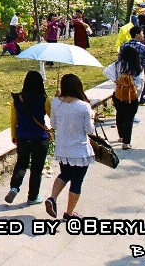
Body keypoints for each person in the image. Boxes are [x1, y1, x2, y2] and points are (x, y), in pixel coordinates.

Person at [45, 74, 95, 220]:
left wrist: (57, 99)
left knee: (64, 174)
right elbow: (89, 130)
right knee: (77, 181)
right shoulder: (84, 107)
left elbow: (53, 124)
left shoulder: (56, 103)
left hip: (63, 148)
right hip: (79, 149)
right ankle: (69, 213)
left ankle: (52, 198)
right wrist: (92, 116)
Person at [5, 70, 51, 205]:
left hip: (23, 138)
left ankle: (14, 187)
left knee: (21, 164)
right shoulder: (44, 99)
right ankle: (33, 196)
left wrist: (14, 135)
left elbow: (13, 119)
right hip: (39, 139)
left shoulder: (17, 99)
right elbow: (53, 117)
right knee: (36, 169)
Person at [104, 39, 142, 149]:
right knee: (129, 119)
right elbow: (140, 83)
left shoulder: (117, 65)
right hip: (132, 97)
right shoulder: (137, 67)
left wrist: (115, 80)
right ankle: (126, 142)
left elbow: (106, 71)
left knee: (120, 115)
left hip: (118, 94)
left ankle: (120, 136)